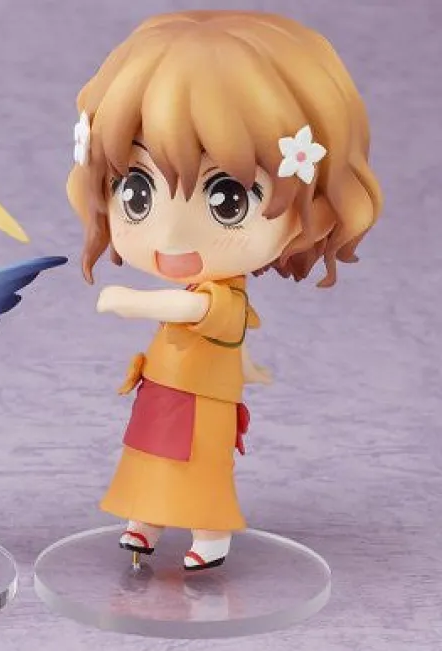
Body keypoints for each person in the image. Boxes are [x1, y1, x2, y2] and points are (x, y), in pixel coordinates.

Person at [66, 10, 382, 571]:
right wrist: (245, 367)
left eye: (228, 200)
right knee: (148, 458)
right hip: (165, 393)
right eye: (137, 191)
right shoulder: (206, 290)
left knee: (201, 469)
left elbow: (191, 308)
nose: (171, 237)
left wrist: (129, 302)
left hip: (201, 406)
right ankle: (144, 521)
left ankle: (210, 537)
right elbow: (215, 332)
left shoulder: (223, 296)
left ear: (315, 206)